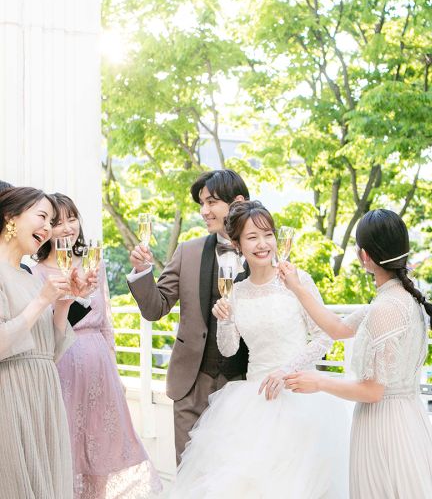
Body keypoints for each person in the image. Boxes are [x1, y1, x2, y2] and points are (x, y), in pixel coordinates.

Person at [169, 200, 350, 498]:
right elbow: (229, 349)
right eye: (252, 237)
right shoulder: (237, 291)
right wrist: (225, 321)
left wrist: (286, 371)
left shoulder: (297, 280)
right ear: (238, 244)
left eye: (268, 235)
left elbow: (325, 336)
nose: (263, 244)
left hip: (301, 396)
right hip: (254, 401)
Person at [280, 209, 432, 499]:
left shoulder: (385, 308)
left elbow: (373, 391)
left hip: (385, 427)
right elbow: (337, 328)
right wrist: (297, 288)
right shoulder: (400, 299)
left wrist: (319, 381)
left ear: (365, 257)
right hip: (408, 419)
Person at [33, 193, 162, 499]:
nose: (68, 227)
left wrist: (114, 371)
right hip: (62, 368)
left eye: (72, 219)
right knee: (67, 446)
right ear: (46, 229)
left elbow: (106, 323)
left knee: (101, 445)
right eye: (58, 222)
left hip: (99, 368)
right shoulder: (36, 273)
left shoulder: (94, 263)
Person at [127, 169, 251, 463]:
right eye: (201, 204)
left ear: (237, 202)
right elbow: (155, 308)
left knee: (235, 473)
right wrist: (142, 272)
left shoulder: (262, 251)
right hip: (192, 384)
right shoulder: (188, 252)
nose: (204, 211)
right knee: (189, 472)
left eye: (211, 202)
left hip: (244, 384)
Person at [0, 186, 95, 499]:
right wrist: (42, 300)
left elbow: (49, 353)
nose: (47, 228)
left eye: (50, 221)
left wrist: (63, 302)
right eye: (42, 216)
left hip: (44, 394)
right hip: (12, 395)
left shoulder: (29, 277)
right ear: (10, 216)